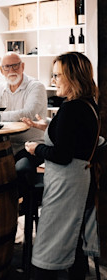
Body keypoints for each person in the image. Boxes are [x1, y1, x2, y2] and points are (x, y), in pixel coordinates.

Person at [23, 52, 100, 280]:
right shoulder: (88, 104)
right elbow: (75, 137)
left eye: (57, 75)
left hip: (65, 185)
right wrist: (46, 125)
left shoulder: (70, 108)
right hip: (79, 181)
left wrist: (35, 149)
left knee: (49, 245)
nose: (53, 80)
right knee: (72, 238)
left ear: (73, 77)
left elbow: (62, 155)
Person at [0, 51, 47, 194]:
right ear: (1, 70)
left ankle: (24, 209)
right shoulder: (0, 88)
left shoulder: (36, 87)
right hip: (6, 145)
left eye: (15, 66)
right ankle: (4, 209)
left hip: (31, 145)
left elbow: (27, 113)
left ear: (23, 66)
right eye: (7, 67)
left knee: (20, 170)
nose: (12, 70)